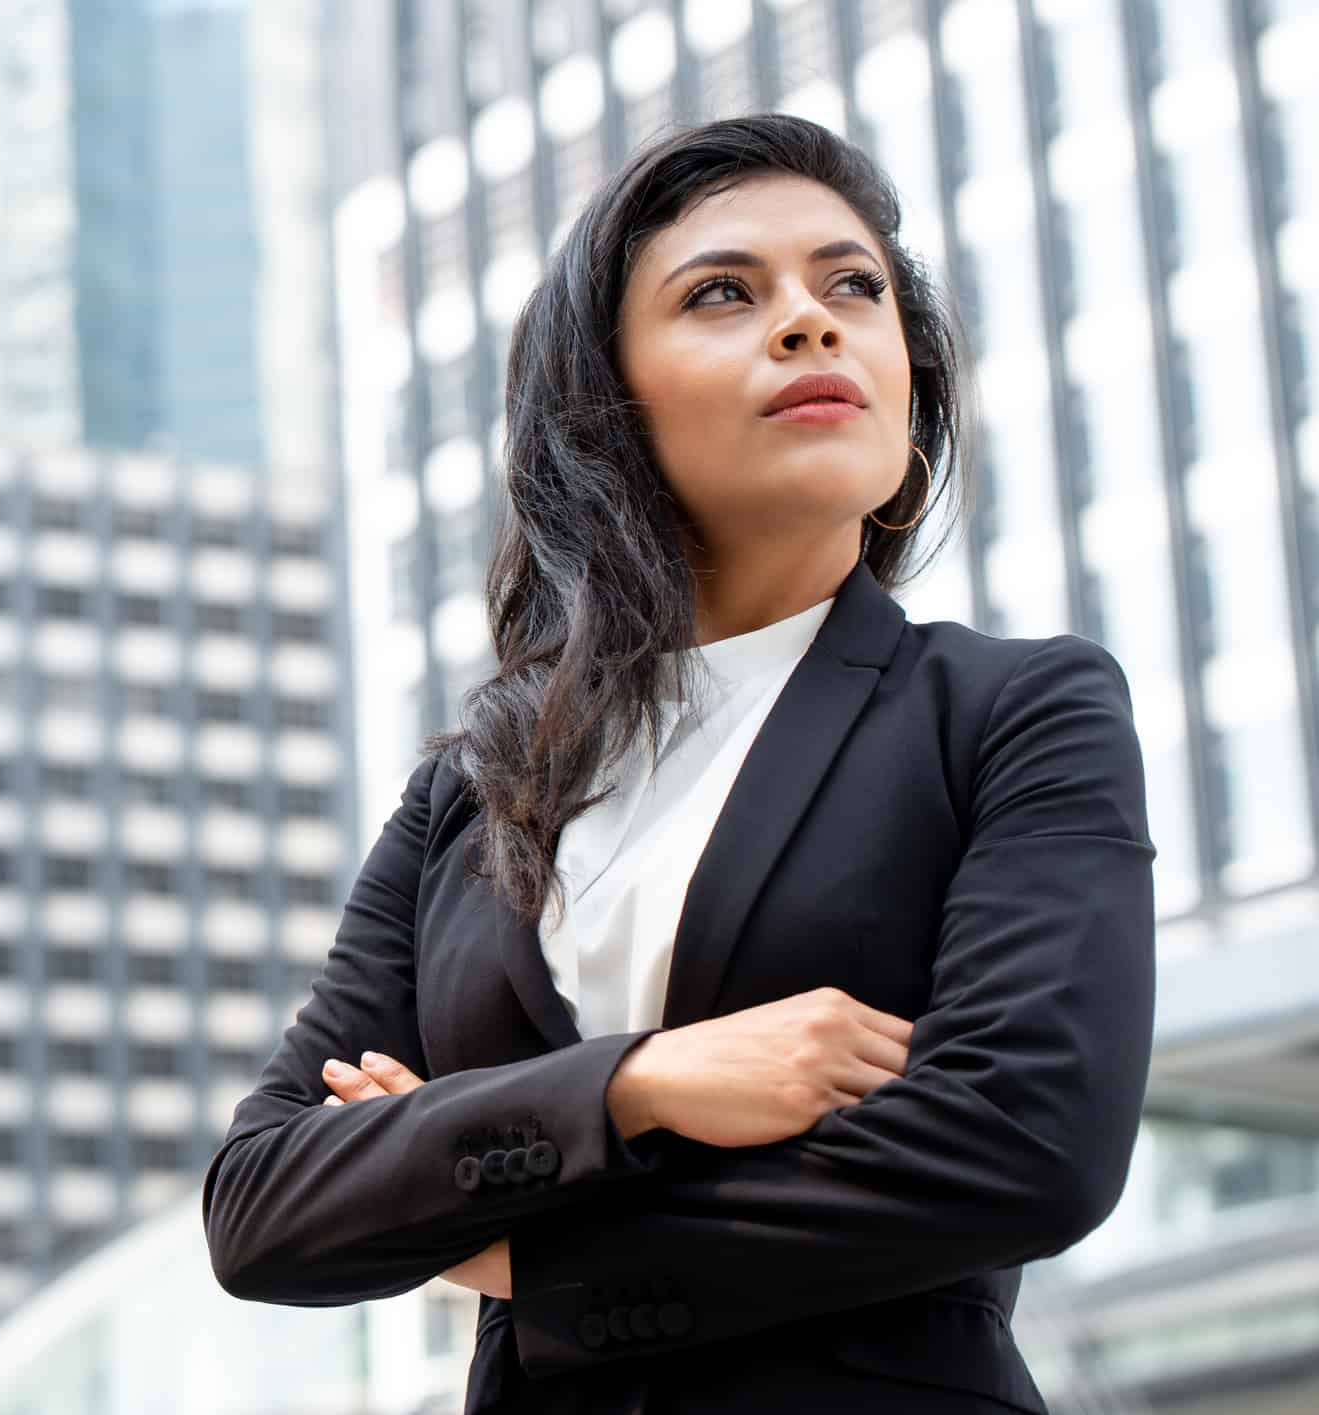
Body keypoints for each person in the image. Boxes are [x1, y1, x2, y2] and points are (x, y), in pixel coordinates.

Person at [200, 112, 1156, 1414]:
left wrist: (504, 1239)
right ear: (605, 400)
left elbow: (1023, 1147)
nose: (812, 323)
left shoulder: (1009, 714)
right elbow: (262, 1202)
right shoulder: (470, 790)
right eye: (723, 293)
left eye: (853, 286)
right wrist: (649, 1084)